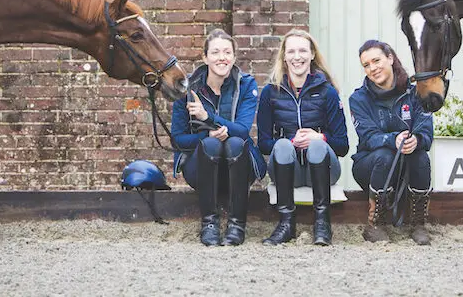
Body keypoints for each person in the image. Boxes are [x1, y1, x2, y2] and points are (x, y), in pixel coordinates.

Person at [171, 28, 266, 247]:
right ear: (205, 57)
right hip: (201, 167)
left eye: (227, 52)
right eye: (215, 52)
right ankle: (209, 224)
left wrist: (208, 117)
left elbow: (242, 131)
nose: (222, 57)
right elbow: (177, 139)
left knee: (234, 141)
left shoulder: (246, 84)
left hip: (239, 167)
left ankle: (237, 224)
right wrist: (206, 137)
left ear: (234, 56)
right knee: (211, 143)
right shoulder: (187, 90)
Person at [257, 29, 349, 246]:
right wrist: (290, 143)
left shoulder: (328, 92)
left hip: (323, 169)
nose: (297, 56)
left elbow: (343, 146)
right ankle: (286, 223)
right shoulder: (271, 92)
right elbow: (263, 143)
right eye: (291, 51)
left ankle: (322, 223)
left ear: (312, 55)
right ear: (284, 56)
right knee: (280, 145)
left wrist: (320, 138)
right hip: (287, 169)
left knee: (317, 145)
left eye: (302, 51)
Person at [349, 40, 434, 245]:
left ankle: (418, 223)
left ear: (390, 58)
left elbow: (426, 130)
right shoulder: (358, 98)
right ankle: (375, 224)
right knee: (385, 154)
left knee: (421, 155)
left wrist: (417, 139)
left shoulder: (415, 93)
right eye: (366, 65)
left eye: (376, 60)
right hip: (369, 166)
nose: (373, 68)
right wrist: (392, 139)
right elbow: (368, 137)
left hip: (406, 167)